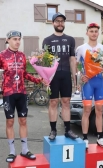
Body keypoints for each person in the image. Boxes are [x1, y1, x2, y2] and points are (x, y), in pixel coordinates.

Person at [0, 30, 43, 163]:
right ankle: (12, 151)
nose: (17, 41)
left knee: (23, 121)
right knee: (10, 122)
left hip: (22, 93)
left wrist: (38, 80)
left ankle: (25, 149)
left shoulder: (22, 56)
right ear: (7, 40)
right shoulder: (0, 56)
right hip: (8, 93)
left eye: (19, 39)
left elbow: (24, 73)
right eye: (14, 39)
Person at [42, 12, 78, 140]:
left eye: (62, 21)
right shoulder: (47, 40)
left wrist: (75, 77)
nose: (60, 23)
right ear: (53, 23)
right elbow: (44, 62)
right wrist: (45, 78)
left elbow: (72, 60)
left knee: (66, 102)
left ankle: (68, 130)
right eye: (57, 21)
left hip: (66, 74)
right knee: (53, 102)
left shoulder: (70, 40)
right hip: (53, 76)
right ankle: (53, 131)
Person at [76, 23, 103, 148]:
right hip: (87, 83)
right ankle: (85, 139)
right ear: (87, 33)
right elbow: (76, 66)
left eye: (96, 31)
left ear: (98, 33)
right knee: (86, 110)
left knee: (100, 110)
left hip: (99, 82)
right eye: (91, 31)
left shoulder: (102, 48)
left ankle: (100, 138)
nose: (94, 33)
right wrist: (80, 78)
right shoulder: (81, 48)